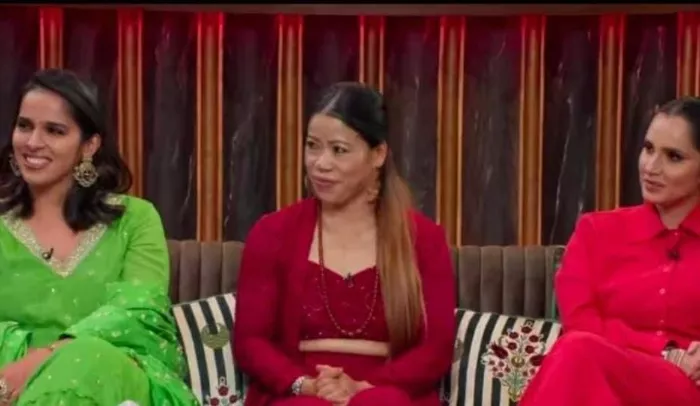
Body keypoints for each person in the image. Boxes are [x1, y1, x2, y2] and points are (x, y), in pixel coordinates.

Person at [233, 82, 455, 406]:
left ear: (378, 155)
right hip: (301, 392)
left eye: (339, 150)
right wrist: (305, 385)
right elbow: (251, 342)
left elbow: (436, 348)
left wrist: (363, 387)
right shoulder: (272, 233)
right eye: (312, 146)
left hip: (388, 392)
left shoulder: (423, 239)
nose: (320, 163)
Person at [0, 69, 198, 405]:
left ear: (89, 146)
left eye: (54, 130)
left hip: (114, 375)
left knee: (88, 359)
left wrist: (47, 357)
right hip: (9, 379)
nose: (32, 142)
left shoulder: (134, 219)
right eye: (24, 126)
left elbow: (139, 311)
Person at [519, 97, 700, 405]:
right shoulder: (595, 232)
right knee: (578, 351)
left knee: (577, 354)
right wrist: (665, 351)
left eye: (674, 157)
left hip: (683, 389)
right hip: (600, 381)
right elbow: (580, 321)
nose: (651, 167)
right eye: (648, 149)